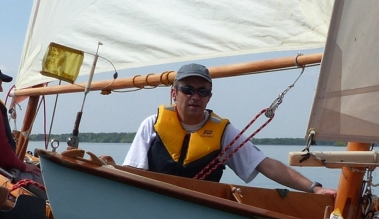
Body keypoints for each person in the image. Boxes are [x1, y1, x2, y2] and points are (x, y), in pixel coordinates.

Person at [123, 62, 336, 195]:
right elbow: (132, 172)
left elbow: (266, 165)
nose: (195, 97)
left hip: (200, 212)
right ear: (174, 93)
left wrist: (315, 188)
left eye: (202, 92)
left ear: (209, 97)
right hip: (153, 203)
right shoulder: (152, 125)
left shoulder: (224, 133)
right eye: (187, 90)